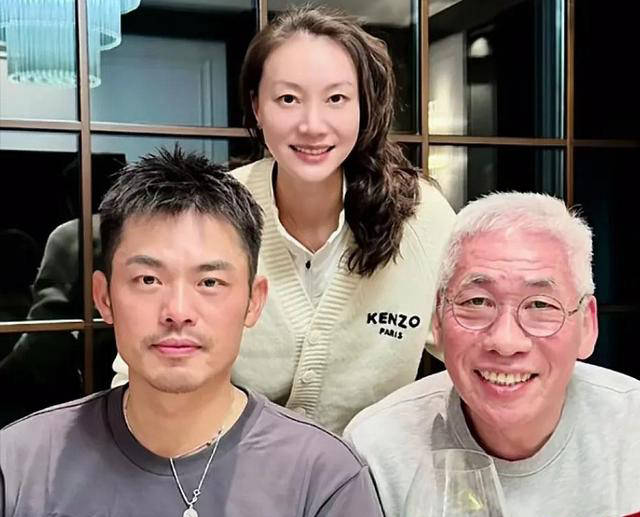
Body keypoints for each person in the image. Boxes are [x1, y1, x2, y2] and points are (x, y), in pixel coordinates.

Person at [112, 5, 456, 434]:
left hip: (373, 470)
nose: (312, 125)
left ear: (363, 107)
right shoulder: (215, 211)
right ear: (257, 106)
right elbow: (141, 372)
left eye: (336, 99)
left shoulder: (421, 217)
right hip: (226, 466)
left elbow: (474, 348)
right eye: (288, 99)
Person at [0, 148, 384, 517]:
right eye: (148, 279)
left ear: (253, 301)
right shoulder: (21, 464)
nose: (178, 312)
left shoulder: (322, 478)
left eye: (209, 282)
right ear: (104, 298)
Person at [344, 192, 640, 517]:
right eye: (477, 302)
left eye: (540, 305)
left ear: (587, 325)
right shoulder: (378, 450)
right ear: (438, 318)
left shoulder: (632, 428)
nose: (505, 341)